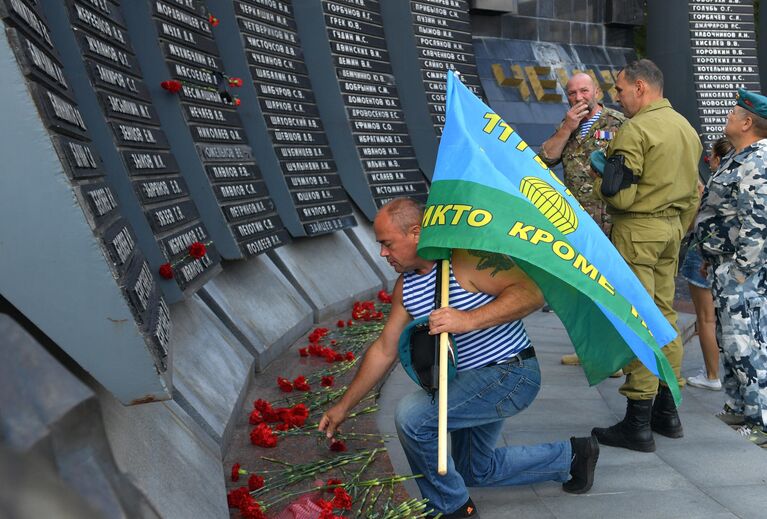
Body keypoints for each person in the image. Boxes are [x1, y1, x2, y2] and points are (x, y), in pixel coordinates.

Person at [319, 198, 600, 518]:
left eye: (387, 244)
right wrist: (343, 407)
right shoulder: (406, 287)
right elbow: (385, 349)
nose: (383, 253)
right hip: (468, 380)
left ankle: (452, 509)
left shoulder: (466, 260)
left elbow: (531, 293)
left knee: (413, 418)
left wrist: (467, 319)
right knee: (474, 470)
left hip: (510, 373)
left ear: (415, 233)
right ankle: (574, 456)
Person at [589, 59, 701, 452]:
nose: (616, 97)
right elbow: (693, 194)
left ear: (640, 87)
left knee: (637, 319)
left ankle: (638, 420)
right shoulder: (686, 129)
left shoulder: (635, 130)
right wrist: (676, 227)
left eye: (619, 90)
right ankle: (667, 414)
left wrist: (602, 175)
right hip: (671, 231)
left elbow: (620, 194)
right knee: (664, 316)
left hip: (637, 230)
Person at [694, 89, 767, 447]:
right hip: (725, 267)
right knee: (731, 341)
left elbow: (757, 223)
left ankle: (762, 421)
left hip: (742, 274)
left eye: (732, 113)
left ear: (747, 122)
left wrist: (739, 274)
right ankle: (739, 406)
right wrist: (711, 258)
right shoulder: (739, 157)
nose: (728, 118)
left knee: (746, 343)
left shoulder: (757, 161)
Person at [540, 72, 625, 367]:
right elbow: (546, 158)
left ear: (597, 92)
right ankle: (590, 349)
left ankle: (614, 357)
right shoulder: (567, 125)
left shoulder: (618, 123)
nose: (578, 98)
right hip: (577, 222)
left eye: (584, 91)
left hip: (610, 220)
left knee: (611, 288)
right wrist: (567, 127)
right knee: (584, 288)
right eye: (572, 93)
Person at [683, 137, 733, 391]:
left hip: (702, 255)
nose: (708, 161)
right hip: (727, 258)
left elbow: (694, 224)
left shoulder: (712, 187)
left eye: (711, 157)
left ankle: (712, 374)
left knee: (706, 319)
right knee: (720, 318)